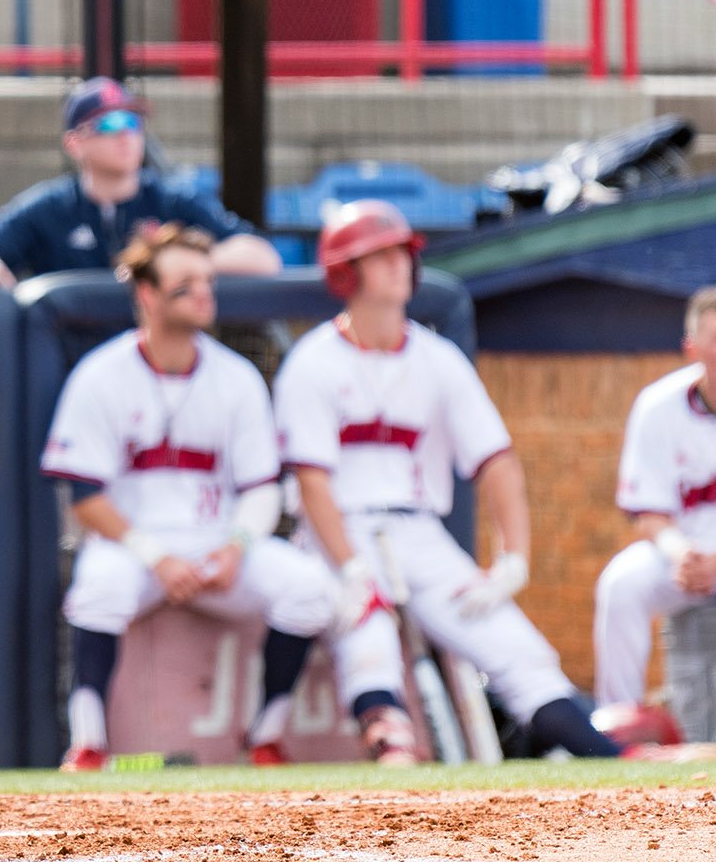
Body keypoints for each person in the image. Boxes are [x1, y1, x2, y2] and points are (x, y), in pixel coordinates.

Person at [273, 199, 620, 763]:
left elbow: (497, 462)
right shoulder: (312, 361)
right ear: (346, 272)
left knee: (517, 648)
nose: (398, 266)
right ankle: (394, 763)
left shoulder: (438, 358)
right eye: (378, 256)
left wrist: (513, 560)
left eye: (401, 254)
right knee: (370, 641)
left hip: (419, 532)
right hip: (339, 532)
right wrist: (352, 569)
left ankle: (609, 760)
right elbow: (312, 484)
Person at [43, 223, 337, 770]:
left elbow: (259, 489)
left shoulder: (236, 377)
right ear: (148, 295)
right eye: (185, 284)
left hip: (215, 544)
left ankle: (266, 737)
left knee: (311, 589)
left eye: (207, 281)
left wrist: (237, 546)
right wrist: (157, 557)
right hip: (135, 548)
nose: (204, 293)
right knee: (96, 588)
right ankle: (88, 744)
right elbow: (84, 496)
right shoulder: (100, 374)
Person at [0, 76, 280, 303]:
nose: (126, 135)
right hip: (71, 374)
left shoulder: (171, 198)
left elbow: (262, 257)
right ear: (75, 143)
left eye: (133, 122)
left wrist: (177, 262)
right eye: (109, 124)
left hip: (158, 364)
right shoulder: (52, 206)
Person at [593, 287, 716, 709]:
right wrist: (680, 553)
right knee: (621, 585)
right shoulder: (658, 406)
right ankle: (617, 728)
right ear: (692, 348)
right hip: (687, 554)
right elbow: (649, 512)